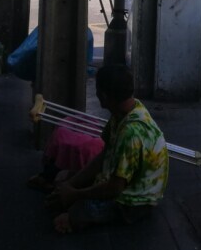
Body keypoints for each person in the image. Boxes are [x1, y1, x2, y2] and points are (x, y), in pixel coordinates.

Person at [46, 64, 169, 234]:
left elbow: (114, 188)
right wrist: (71, 184)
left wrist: (74, 194)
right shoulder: (125, 110)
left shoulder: (131, 133)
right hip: (116, 178)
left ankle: (74, 211)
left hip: (134, 202)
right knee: (63, 178)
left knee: (75, 212)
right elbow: (104, 155)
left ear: (102, 96)